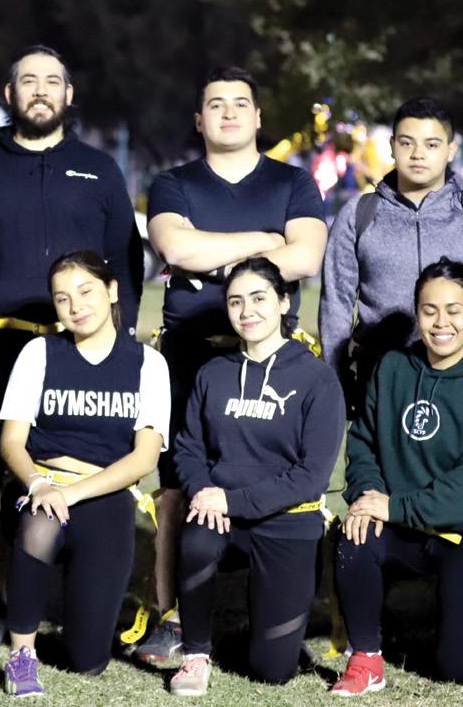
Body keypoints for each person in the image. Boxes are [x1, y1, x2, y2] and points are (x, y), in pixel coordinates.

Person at [0, 45, 143, 646]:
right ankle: (2, 600)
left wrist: (121, 338)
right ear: (10, 94)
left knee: (87, 465)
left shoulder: (99, 168)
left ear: (68, 95)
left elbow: (124, 261)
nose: (41, 90)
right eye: (29, 80)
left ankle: (85, 591)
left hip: (79, 348)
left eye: (53, 80)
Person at [139, 66, 327, 663]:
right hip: (191, 351)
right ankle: (172, 615)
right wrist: (265, 244)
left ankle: (272, 607)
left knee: (276, 474)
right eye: (215, 104)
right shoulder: (174, 183)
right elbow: (176, 247)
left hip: (273, 356)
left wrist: (214, 257)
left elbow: (307, 257)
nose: (228, 112)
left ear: (258, 117)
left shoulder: (293, 181)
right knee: (178, 484)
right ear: (199, 120)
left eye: (240, 103)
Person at [330, 258, 463, 696]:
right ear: (417, 313)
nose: (441, 322)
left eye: (454, 310)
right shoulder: (393, 368)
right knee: (355, 534)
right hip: (403, 528)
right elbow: (363, 443)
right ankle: (366, 657)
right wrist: (369, 495)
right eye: (429, 310)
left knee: (457, 670)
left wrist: (393, 505)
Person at [168, 257, 345, 696]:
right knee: (196, 539)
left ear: (284, 302)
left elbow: (311, 477)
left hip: (288, 518)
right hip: (220, 514)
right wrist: (203, 491)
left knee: (272, 671)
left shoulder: (317, 377)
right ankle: (195, 654)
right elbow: (188, 447)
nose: (247, 310)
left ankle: (268, 635)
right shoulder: (213, 372)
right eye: (235, 301)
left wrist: (231, 500)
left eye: (259, 298)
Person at [0, 251, 169, 698]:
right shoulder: (39, 352)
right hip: (42, 485)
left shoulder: (148, 363)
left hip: (104, 494)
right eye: (62, 298)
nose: (75, 306)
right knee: (39, 524)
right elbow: (12, 441)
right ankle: (22, 654)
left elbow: (144, 459)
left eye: (85, 291)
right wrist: (39, 484)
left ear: (112, 290)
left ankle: (72, 623)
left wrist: (71, 494)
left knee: (88, 661)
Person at [319, 97, 463, 413]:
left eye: (432, 144)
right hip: (378, 380)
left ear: (450, 149)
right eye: (407, 143)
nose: (418, 154)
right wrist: (336, 379)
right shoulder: (359, 214)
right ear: (392, 146)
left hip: (461, 381)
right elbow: (335, 305)